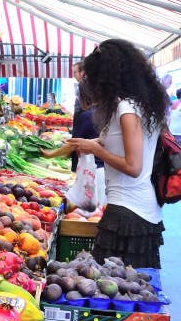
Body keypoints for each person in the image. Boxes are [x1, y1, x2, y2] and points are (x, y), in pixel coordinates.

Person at [67, 39, 167, 268]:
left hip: (127, 214)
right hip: (138, 212)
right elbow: (120, 143)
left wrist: (95, 149)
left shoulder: (127, 109)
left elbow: (133, 166)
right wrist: (90, 143)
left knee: (111, 292)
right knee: (131, 293)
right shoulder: (140, 105)